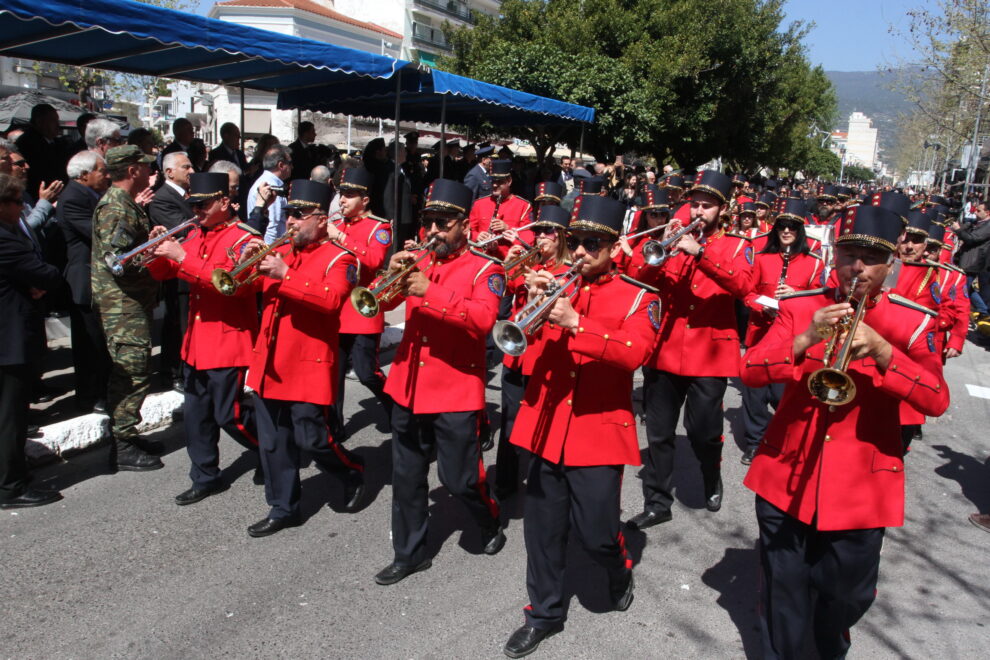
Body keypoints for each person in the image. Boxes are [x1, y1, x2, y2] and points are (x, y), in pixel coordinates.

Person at [741, 203, 949, 659]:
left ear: (891, 263)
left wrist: (884, 352)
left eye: (871, 258)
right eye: (849, 254)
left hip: (862, 483)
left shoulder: (913, 322)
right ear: (834, 256)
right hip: (786, 469)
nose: (858, 267)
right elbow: (751, 370)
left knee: (847, 595)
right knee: (785, 591)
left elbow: (936, 398)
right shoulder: (800, 307)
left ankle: (831, 635)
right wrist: (804, 339)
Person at [502, 196, 660, 657]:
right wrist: (528, 306)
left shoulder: (640, 296)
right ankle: (543, 614)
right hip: (546, 424)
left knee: (596, 533)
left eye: (594, 244)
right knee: (542, 531)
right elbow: (518, 349)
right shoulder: (554, 283)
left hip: (599, 431)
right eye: (577, 243)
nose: (582, 253)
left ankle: (619, 566)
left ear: (615, 247)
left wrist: (578, 323)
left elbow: (634, 353)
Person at [374, 179, 505, 586]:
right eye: (429, 221)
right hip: (408, 384)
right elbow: (381, 302)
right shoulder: (420, 260)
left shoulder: (488, 268)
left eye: (443, 223)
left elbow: (483, 321)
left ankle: (488, 518)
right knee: (408, 476)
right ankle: (409, 554)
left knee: (459, 479)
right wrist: (390, 274)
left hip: (454, 390)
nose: (433, 231)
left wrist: (430, 291)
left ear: (464, 225)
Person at [626, 171, 753, 529]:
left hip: (710, 352)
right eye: (694, 203)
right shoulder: (671, 239)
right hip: (665, 348)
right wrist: (661, 252)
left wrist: (702, 254)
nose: (698, 211)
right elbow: (638, 280)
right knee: (659, 432)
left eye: (707, 205)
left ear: (722, 209)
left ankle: (711, 474)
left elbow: (744, 287)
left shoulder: (739, 246)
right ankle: (657, 502)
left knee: (702, 430)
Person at [242, 179, 364, 537]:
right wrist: (246, 263)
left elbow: (332, 301)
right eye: (289, 215)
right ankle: (284, 507)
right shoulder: (282, 252)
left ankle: (349, 469)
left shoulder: (342, 259)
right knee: (274, 441)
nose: (291, 222)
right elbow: (245, 288)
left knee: (312, 439)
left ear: (321, 219)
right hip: (270, 361)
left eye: (299, 216)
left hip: (308, 362)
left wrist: (286, 275)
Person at [146, 173, 262, 505]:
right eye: (193, 204)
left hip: (229, 342)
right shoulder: (195, 234)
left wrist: (181, 257)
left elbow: (232, 285)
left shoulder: (244, 239)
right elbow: (163, 273)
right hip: (196, 342)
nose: (195, 210)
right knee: (197, 417)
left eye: (203, 204)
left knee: (231, 416)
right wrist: (157, 251)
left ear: (225, 202)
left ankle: (272, 447)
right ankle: (205, 475)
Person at [91, 145, 163, 472]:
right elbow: (118, 262)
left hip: (132, 302)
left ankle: (128, 436)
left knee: (137, 370)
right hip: (122, 306)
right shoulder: (116, 207)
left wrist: (151, 240)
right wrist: (155, 257)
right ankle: (121, 443)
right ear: (133, 171)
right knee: (131, 374)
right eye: (145, 166)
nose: (150, 171)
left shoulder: (125, 204)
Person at [493, 204, 572, 499]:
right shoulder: (530, 262)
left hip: (544, 356)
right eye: (537, 231)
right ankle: (504, 482)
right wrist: (508, 264)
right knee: (510, 420)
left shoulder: (568, 271)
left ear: (561, 236)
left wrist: (540, 286)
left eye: (548, 231)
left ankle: (545, 483)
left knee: (543, 420)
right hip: (516, 353)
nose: (540, 237)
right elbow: (504, 285)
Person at [737, 200, 822, 465]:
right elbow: (747, 292)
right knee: (754, 393)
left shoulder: (814, 263)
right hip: (761, 332)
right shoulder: (761, 258)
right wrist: (761, 306)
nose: (787, 231)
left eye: (793, 227)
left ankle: (782, 437)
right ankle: (754, 442)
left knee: (781, 393)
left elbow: (821, 299)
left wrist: (797, 296)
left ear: (800, 231)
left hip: (792, 339)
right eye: (782, 226)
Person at [0, 173, 64, 509]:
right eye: (15, 204)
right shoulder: (6, 240)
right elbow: (47, 274)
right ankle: (10, 486)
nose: (20, 210)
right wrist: (35, 282)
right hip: (9, 341)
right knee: (11, 417)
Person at [325, 167, 394, 442]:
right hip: (336, 307)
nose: (342, 201)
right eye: (342, 195)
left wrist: (341, 238)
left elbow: (375, 260)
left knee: (367, 372)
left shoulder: (380, 227)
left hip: (362, 307)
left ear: (364, 200)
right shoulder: (337, 224)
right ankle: (334, 426)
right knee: (334, 372)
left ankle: (393, 405)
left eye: (349, 196)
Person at [57, 150, 112, 413]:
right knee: (89, 344)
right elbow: (99, 234)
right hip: (85, 278)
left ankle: (102, 390)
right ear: (83, 174)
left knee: (100, 342)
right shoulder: (72, 199)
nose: (107, 175)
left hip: (99, 278)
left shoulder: (93, 195)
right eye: (102, 170)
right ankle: (90, 397)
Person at [150, 151, 195, 392]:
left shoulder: (187, 195)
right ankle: (174, 372)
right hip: (176, 274)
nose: (191, 171)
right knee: (177, 325)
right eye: (186, 167)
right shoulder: (163, 199)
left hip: (190, 270)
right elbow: (184, 232)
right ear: (169, 172)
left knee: (186, 324)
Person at [470, 159, 534, 260]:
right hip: (481, 258)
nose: (495, 185)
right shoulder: (479, 204)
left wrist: (507, 228)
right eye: (493, 181)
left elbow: (529, 238)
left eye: (499, 182)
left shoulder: (523, 205)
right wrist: (477, 236)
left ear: (509, 181)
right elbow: (468, 230)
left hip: (508, 259)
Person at [951, 199, 990, 327]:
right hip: (966, 258)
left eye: (979, 210)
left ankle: (976, 311)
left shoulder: (988, 226)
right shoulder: (976, 222)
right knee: (967, 287)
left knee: (963, 288)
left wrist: (958, 231)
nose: (976, 212)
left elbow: (973, 239)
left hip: (974, 260)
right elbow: (966, 232)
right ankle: (983, 310)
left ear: (987, 213)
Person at [15, 104, 66, 195]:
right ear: (40, 121)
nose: (58, 125)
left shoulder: (57, 142)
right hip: (40, 193)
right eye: (53, 120)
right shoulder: (27, 142)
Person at [247, 145, 292, 241]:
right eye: (290, 163)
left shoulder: (268, 181)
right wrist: (269, 251)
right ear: (281, 165)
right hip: (273, 247)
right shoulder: (270, 186)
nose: (292, 167)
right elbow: (271, 226)